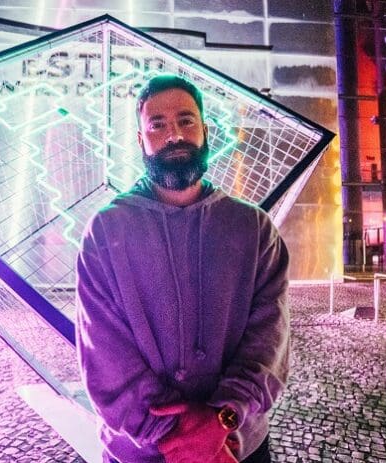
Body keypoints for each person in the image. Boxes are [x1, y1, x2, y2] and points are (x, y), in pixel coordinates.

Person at [75, 74, 291, 463]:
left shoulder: (253, 229)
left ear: (206, 132)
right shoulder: (106, 230)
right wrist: (176, 436)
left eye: (186, 121)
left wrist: (221, 421)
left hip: (236, 447)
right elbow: (104, 354)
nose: (174, 135)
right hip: (141, 453)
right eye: (157, 125)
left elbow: (269, 341)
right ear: (141, 141)